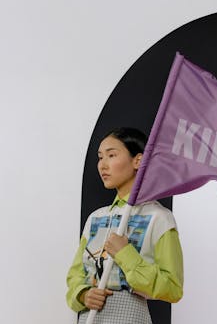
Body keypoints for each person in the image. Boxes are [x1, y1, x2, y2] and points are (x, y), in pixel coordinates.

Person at [66, 128, 183, 324]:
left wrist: (125, 254)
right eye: (100, 157)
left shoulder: (159, 218)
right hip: (90, 317)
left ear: (138, 160)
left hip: (131, 316)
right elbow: (76, 275)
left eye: (111, 155)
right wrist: (83, 295)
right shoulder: (96, 218)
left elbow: (173, 288)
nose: (103, 165)